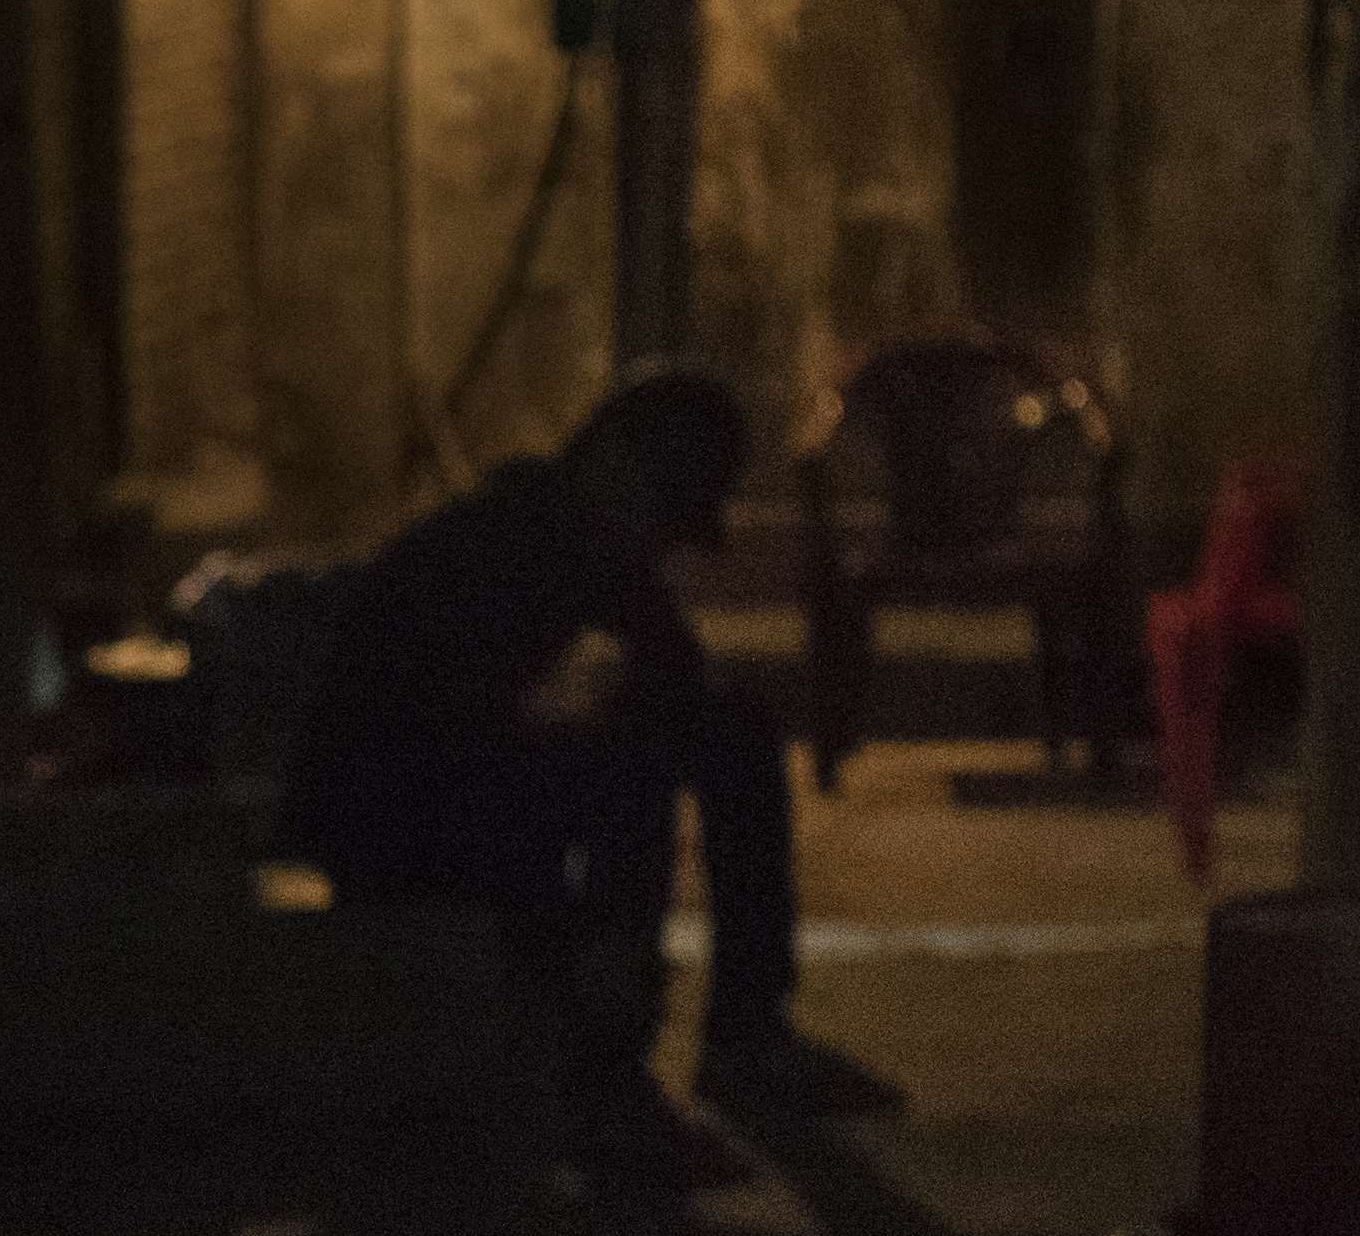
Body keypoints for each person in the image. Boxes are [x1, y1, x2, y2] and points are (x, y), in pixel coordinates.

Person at [282, 366, 902, 1180]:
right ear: (620, 471)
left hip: (434, 786)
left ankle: (745, 1033)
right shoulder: (505, 545)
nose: (663, 548)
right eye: (664, 518)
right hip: (381, 818)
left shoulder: (574, 530)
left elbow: (680, 682)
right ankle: (608, 1084)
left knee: (714, 734)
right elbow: (458, 750)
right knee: (632, 769)